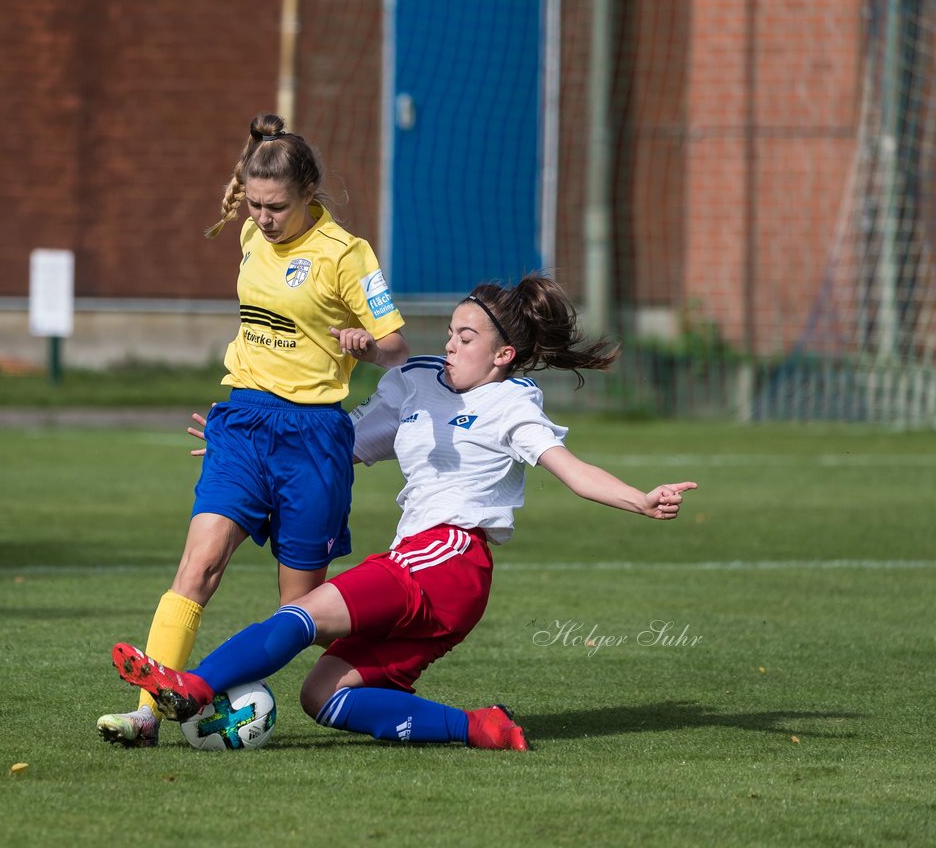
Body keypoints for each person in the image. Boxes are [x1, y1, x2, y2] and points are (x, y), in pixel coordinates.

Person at [109, 274, 697, 750]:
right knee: (324, 697)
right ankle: (482, 726)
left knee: (302, 615)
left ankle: (192, 684)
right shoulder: (415, 382)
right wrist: (249, 446)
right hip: (424, 565)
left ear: (503, 355)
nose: (449, 345)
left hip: (451, 558)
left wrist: (640, 499)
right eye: (449, 331)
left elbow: (574, 472)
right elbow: (341, 446)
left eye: (466, 338)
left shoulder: (511, 405)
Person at [97, 113, 409, 747]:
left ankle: (381, 664)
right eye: (256, 204)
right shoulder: (248, 235)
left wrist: (364, 344)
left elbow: (397, 345)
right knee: (200, 562)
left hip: (315, 439)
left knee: (303, 609)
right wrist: (240, 418)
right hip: (241, 422)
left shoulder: (346, 255)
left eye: (278, 208)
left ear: (310, 194)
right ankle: (146, 714)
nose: (264, 219)